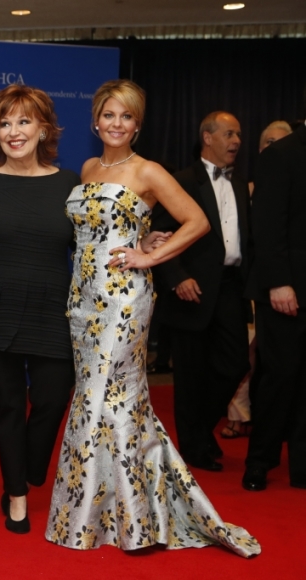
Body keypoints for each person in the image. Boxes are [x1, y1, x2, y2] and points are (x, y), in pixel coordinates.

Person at [45, 79, 260, 557]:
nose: (116, 124)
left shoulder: (149, 171)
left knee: (109, 399)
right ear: (95, 119)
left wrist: (148, 260)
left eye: (126, 117)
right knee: (97, 399)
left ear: (137, 125)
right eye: (109, 115)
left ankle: (133, 522)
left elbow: (199, 221)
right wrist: (142, 240)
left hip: (123, 300)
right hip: (83, 299)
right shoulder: (88, 167)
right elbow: (106, 230)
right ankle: (106, 512)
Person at [0, 85, 78, 534]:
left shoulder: (69, 183)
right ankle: (18, 497)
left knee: (50, 399)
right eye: (5, 123)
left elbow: (89, 246)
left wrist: (140, 244)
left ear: (44, 127)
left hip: (52, 307)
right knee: (7, 407)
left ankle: (26, 471)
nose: (14, 131)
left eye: (23, 121)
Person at [151, 111, 252, 472]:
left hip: (229, 288)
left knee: (235, 363)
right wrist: (176, 277)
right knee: (190, 375)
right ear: (207, 137)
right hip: (189, 291)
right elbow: (158, 237)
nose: (237, 140)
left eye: (238, 134)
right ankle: (193, 447)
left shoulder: (240, 183)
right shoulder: (180, 181)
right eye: (229, 133)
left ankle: (198, 432)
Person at [242, 113, 306, 492]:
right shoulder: (282, 154)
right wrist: (279, 283)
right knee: (278, 379)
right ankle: (260, 461)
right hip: (286, 291)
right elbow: (266, 226)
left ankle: (302, 466)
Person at [223, 119, 292, 439]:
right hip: (249, 286)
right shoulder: (244, 187)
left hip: (277, 284)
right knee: (246, 357)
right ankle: (238, 414)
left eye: (281, 141)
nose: (273, 147)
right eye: (268, 141)